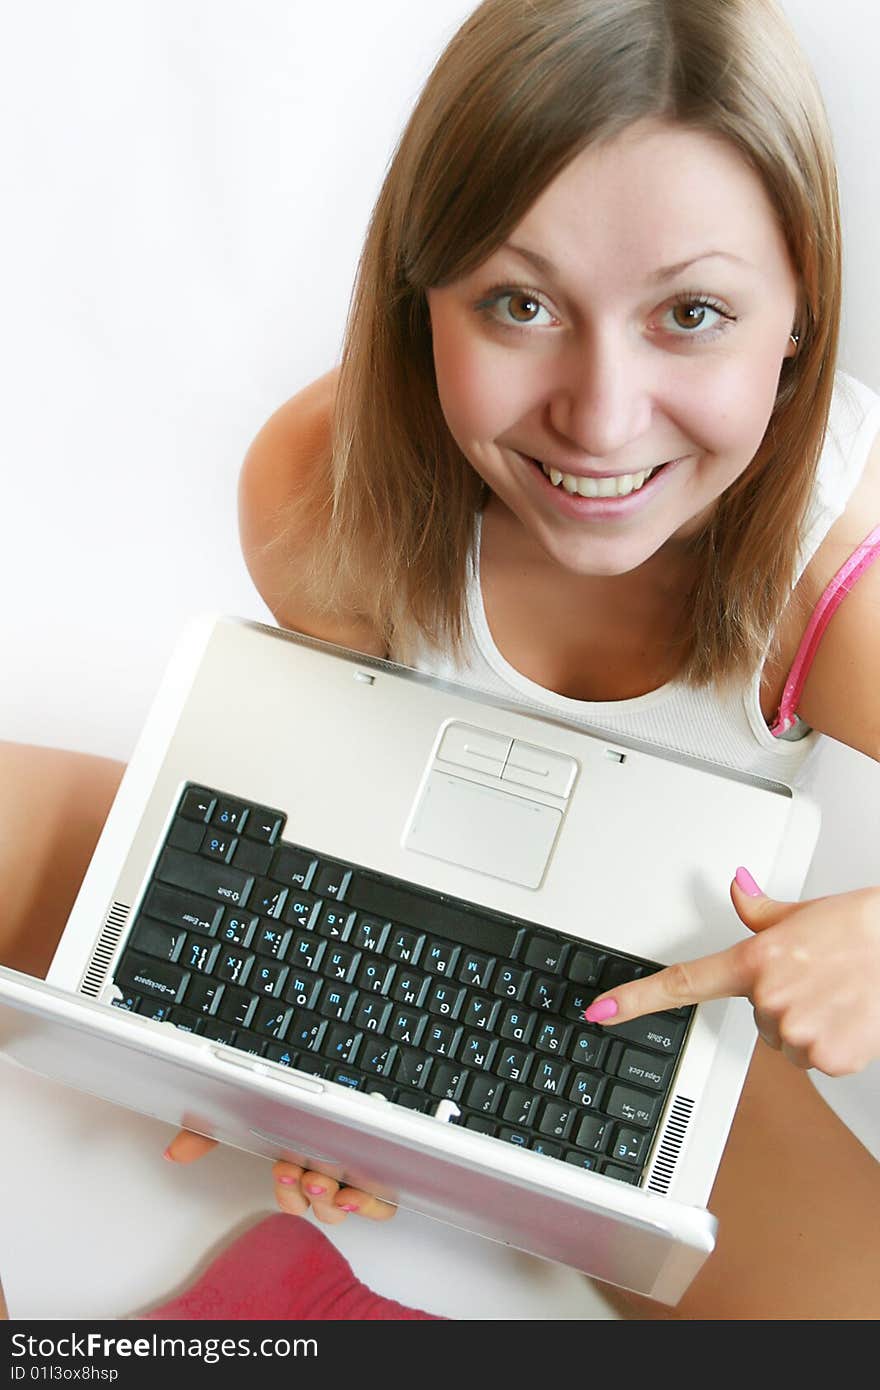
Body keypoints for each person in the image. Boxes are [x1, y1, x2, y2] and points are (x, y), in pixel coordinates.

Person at [3, 0, 880, 1320]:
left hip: (658, 1010)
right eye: (520, 303)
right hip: (417, 920)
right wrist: (310, 1056)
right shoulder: (320, 496)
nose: (600, 417)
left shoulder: (836, 586)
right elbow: (371, 823)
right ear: (423, 295)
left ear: (804, 312)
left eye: (692, 313)